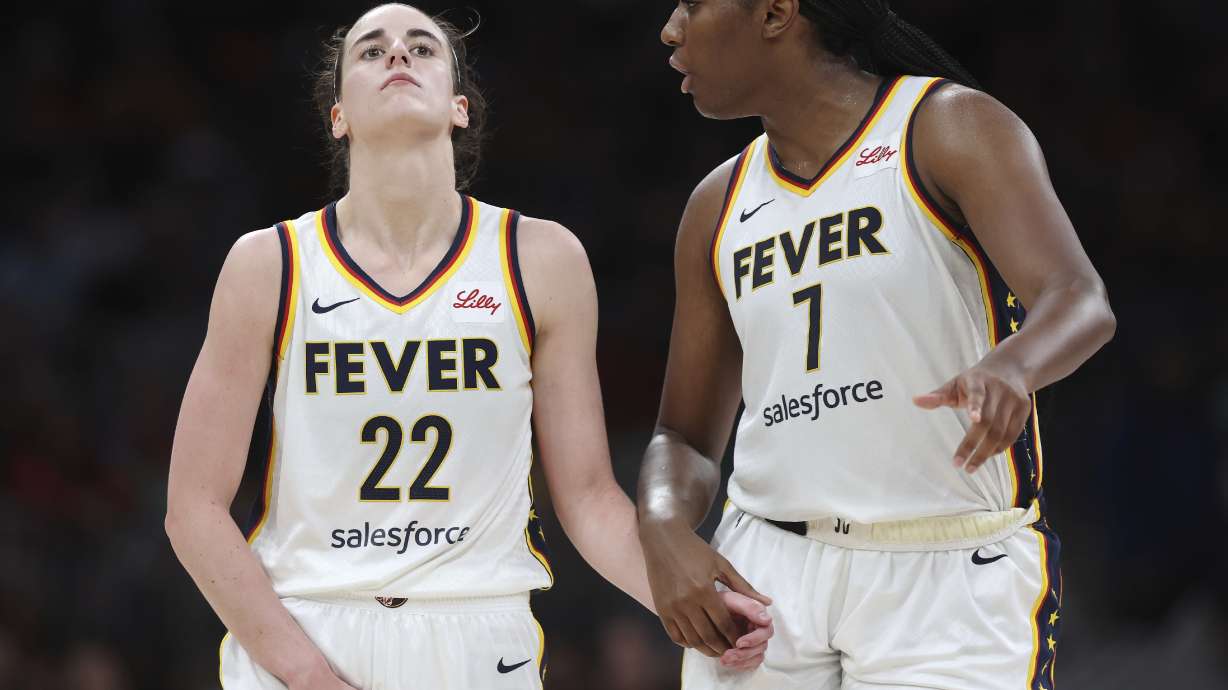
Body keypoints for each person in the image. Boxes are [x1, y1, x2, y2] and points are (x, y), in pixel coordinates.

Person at [164, 4, 771, 689]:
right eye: (371, 51)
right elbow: (193, 507)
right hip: (305, 628)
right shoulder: (268, 264)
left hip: (479, 633)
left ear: (458, 107)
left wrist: (693, 605)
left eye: (421, 47)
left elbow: (590, 499)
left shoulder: (539, 258)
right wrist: (305, 675)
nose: (397, 55)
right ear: (338, 116)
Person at [637, 1, 1116, 688]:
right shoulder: (716, 205)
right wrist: (662, 531)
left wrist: (1015, 365)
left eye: (692, 3)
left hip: (947, 573)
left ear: (775, 13)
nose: (671, 28)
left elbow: (1077, 296)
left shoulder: (947, 127)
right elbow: (681, 436)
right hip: (769, 575)